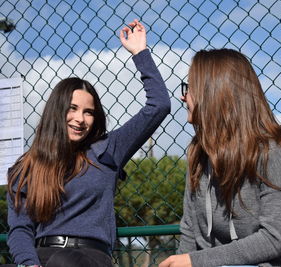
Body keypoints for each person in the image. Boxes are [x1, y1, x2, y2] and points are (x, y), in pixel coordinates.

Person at [6, 19, 170, 267]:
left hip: (89, 259)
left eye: (89, 112)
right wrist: (29, 264)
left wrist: (140, 53)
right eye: (72, 109)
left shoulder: (108, 149)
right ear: (57, 111)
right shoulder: (26, 166)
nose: (80, 119)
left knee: (64, 262)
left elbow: (159, 105)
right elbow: (20, 230)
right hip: (41, 259)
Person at [159, 49, 281, 267]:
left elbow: (275, 239)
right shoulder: (199, 154)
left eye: (190, 88)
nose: (183, 96)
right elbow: (190, 232)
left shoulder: (273, 151)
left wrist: (195, 261)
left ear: (213, 93)